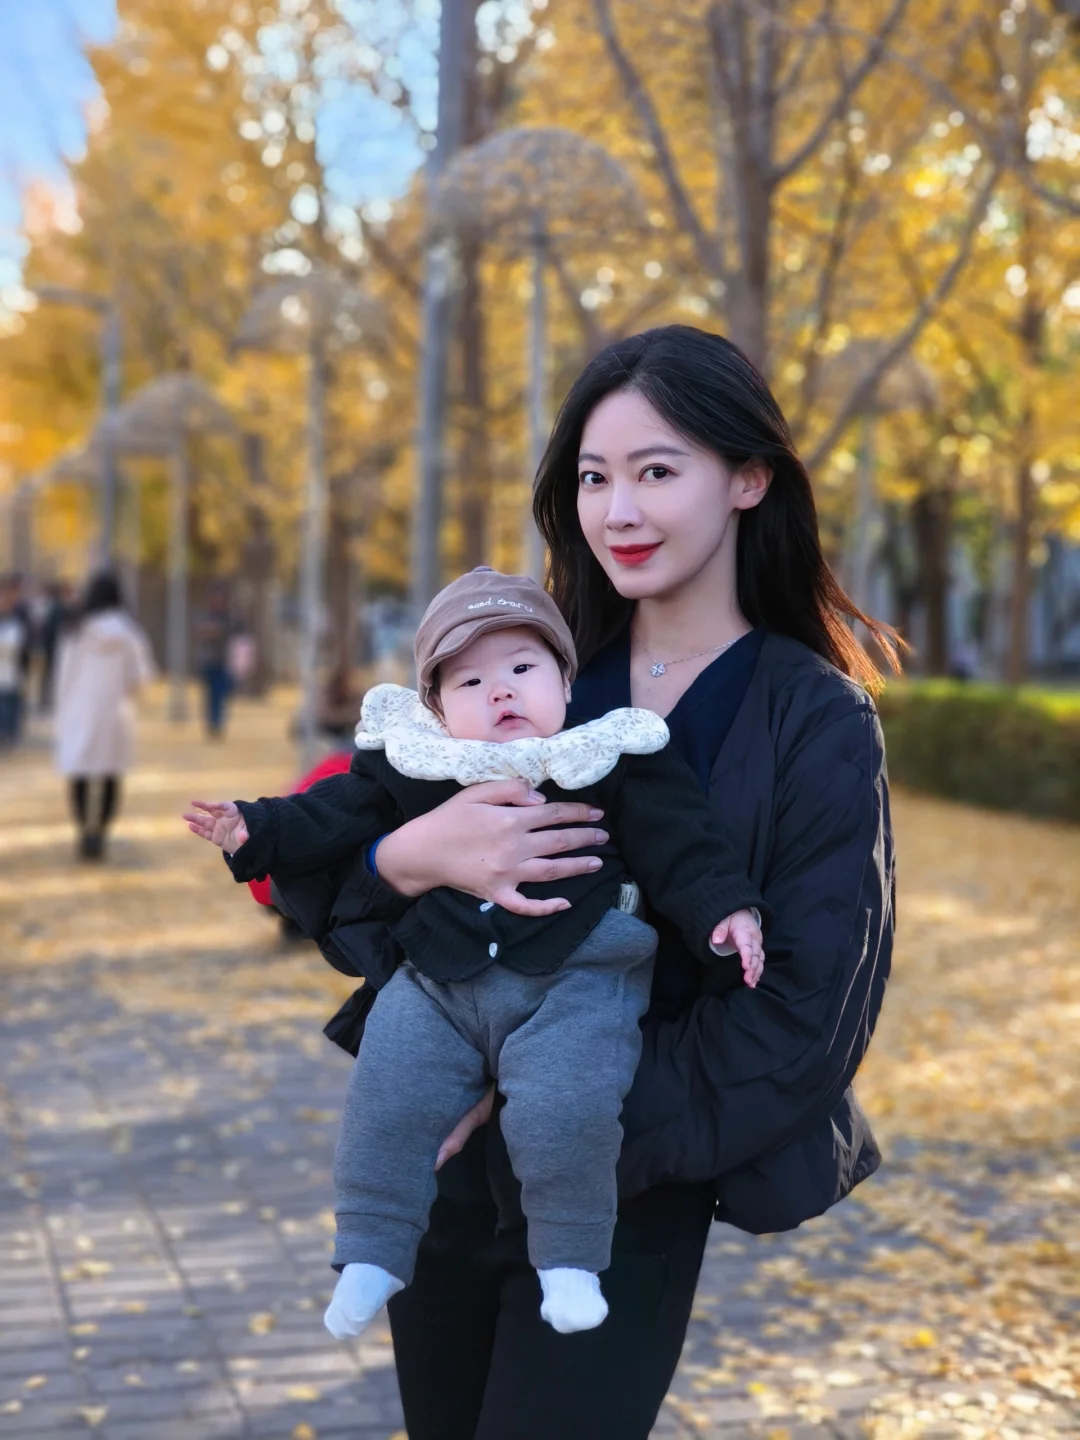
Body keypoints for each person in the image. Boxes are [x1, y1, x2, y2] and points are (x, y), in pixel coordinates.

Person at [276, 325, 899, 1440]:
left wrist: (564, 1107)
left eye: (656, 471)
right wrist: (409, 857)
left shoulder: (814, 719)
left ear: (749, 478)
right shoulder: (526, 673)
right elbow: (337, 889)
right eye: (594, 478)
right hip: (444, 1179)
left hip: (621, 1194)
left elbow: (806, 1013)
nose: (618, 511)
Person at [186, 567, 766, 1337]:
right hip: (441, 977)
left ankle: (569, 1260)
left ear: (565, 680)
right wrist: (254, 827)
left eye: (523, 668)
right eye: (470, 681)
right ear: (437, 707)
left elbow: (684, 844)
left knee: (567, 1106)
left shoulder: (608, 756)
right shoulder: (417, 765)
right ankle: (371, 1249)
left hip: (576, 977)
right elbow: (328, 814)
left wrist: (726, 909)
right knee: (387, 1094)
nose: (501, 692)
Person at [55, 572, 156, 860]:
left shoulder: (75, 630)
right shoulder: (129, 632)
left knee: (81, 772)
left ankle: (83, 830)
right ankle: (100, 831)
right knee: (111, 773)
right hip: (115, 713)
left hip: (79, 711)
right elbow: (142, 676)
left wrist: (62, 709)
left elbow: (63, 676)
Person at [196, 583, 236, 738]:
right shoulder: (206, 615)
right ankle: (212, 723)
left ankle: (218, 722)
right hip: (209, 661)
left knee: (222, 693)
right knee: (210, 695)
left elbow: (231, 632)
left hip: (225, 661)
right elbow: (201, 629)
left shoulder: (229, 616)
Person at [0, 575, 27, 749]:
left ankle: (9, 734)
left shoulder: (20, 615)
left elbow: (23, 644)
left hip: (13, 667)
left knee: (10, 701)